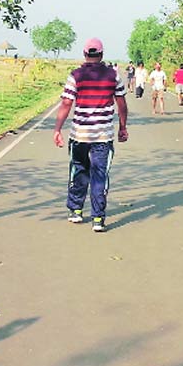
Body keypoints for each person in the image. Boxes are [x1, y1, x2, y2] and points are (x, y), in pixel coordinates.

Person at [54, 38, 128, 233]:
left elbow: (66, 103)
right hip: (103, 137)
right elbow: (121, 104)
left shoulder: (76, 75)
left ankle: (76, 210)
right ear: (101, 54)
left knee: (79, 170)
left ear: (85, 54)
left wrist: (57, 129)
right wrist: (123, 127)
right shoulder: (113, 75)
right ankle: (97, 219)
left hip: (79, 135)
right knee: (99, 176)